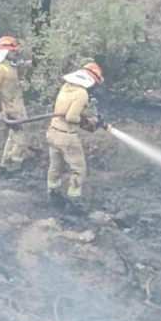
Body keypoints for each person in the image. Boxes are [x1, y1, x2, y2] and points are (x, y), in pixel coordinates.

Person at [46, 62, 104, 213]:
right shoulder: (82, 93)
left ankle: (53, 194)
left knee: (55, 166)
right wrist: (86, 121)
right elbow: (71, 116)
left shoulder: (66, 86)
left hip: (53, 132)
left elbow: (66, 109)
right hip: (67, 137)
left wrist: (86, 116)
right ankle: (73, 201)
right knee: (79, 169)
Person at [0, 36, 27, 174]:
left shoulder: (12, 65)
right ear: (5, 52)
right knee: (20, 140)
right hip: (10, 110)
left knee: (12, 137)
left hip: (19, 106)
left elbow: (22, 64)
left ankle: (4, 164)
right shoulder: (0, 70)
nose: (16, 52)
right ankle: (15, 167)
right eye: (13, 51)